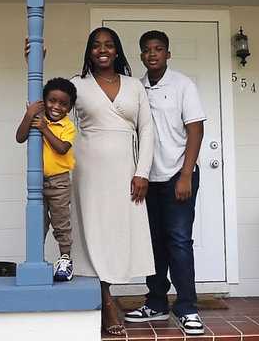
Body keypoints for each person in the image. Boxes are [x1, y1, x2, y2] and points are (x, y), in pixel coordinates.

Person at [69, 27, 155, 335]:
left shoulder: (134, 86)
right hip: (87, 168)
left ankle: (109, 292)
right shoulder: (76, 84)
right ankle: (106, 300)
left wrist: (142, 171)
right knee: (93, 230)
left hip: (125, 169)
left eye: (109, 45)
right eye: (96, 45)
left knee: (118, 230)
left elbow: (147, 130)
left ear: (117, 51)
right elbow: (53, 110)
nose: (102, 49)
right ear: (89, 51)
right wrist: (33, 62)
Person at [124, 30, 206, 335]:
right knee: (154, 244)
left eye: (158, 49)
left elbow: (195, 130)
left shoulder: (183, 84)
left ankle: (187, 308)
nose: (152, 54)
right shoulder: (136, 87)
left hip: (178, 176)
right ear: (141, 55)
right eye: (146, 50)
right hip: (148, 178)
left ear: (167, 54)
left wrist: (186, 174)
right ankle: (156, 303)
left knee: (179, 241)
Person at [16, 77, 78, 282]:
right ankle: (37, 260)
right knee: (38, 222)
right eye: (52, 100)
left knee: (61, 222)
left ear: (69, 107)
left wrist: (44, 128)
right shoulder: (37, 118)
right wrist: (29, 114)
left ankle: (65, 259)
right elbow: (20, 136)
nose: (56, 106)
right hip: (37, 182)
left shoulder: (67, 126)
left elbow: (62, 149)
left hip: (59, 181)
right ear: (44, 100)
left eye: (63, 103)